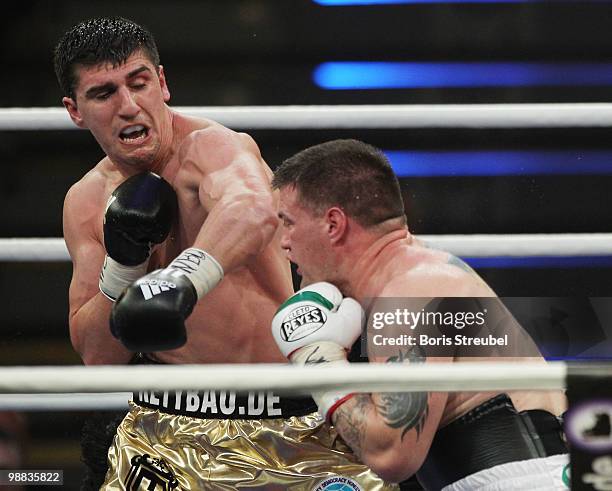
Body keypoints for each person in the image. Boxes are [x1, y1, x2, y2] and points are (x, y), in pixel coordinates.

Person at [55, 18, 396, 490]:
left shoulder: (211, 148)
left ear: (163, 83)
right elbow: (98, 355)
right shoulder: (86, 202)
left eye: (139, 83)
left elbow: (253, 210)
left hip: (291, 421)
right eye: (104, 93)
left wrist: (180, 280)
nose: (129, 106)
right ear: (75, 110)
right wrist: (125, 267)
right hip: (170, 427)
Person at [270, 139, 569, 490]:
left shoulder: (410, 294)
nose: (283, 242)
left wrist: (318, 361)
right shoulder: (416, 276)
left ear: (333, 223)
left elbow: (391, 456)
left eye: (288, 222)